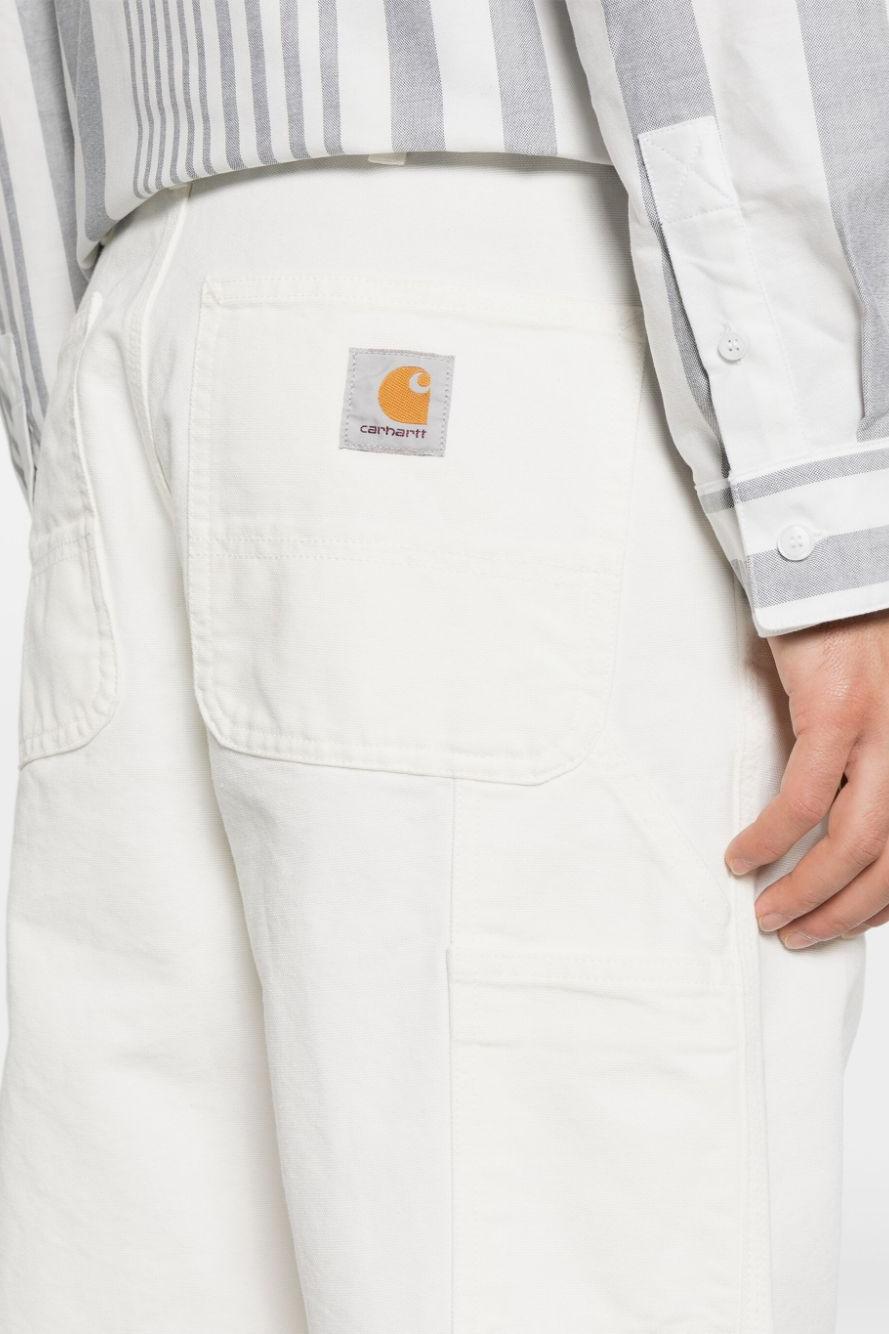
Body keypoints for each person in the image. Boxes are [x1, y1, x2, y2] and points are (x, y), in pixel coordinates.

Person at [1, 2, 887, 1331]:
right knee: (569, 1259)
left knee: (147, 1259)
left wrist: (77, 431)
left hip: (137, 306)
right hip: (527, 278)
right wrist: (823, 501)